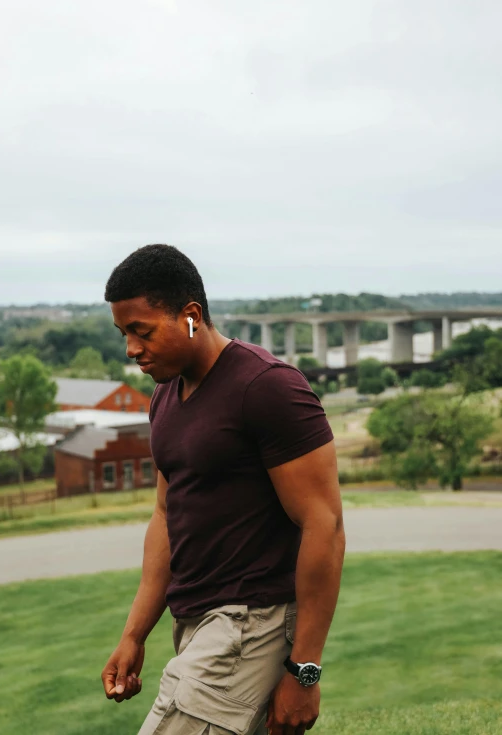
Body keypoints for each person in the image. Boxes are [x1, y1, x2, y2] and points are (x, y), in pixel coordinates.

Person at [101, 244, 345, 735]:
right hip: (195, 624)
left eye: (141, 331)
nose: (130, 349)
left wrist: (305, 670)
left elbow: (324, 523)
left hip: (248, 624)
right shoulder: (165, 397)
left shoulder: (267, 388)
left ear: (191, 317)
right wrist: (134, 634)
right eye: (123, 333)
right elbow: (167, 517)